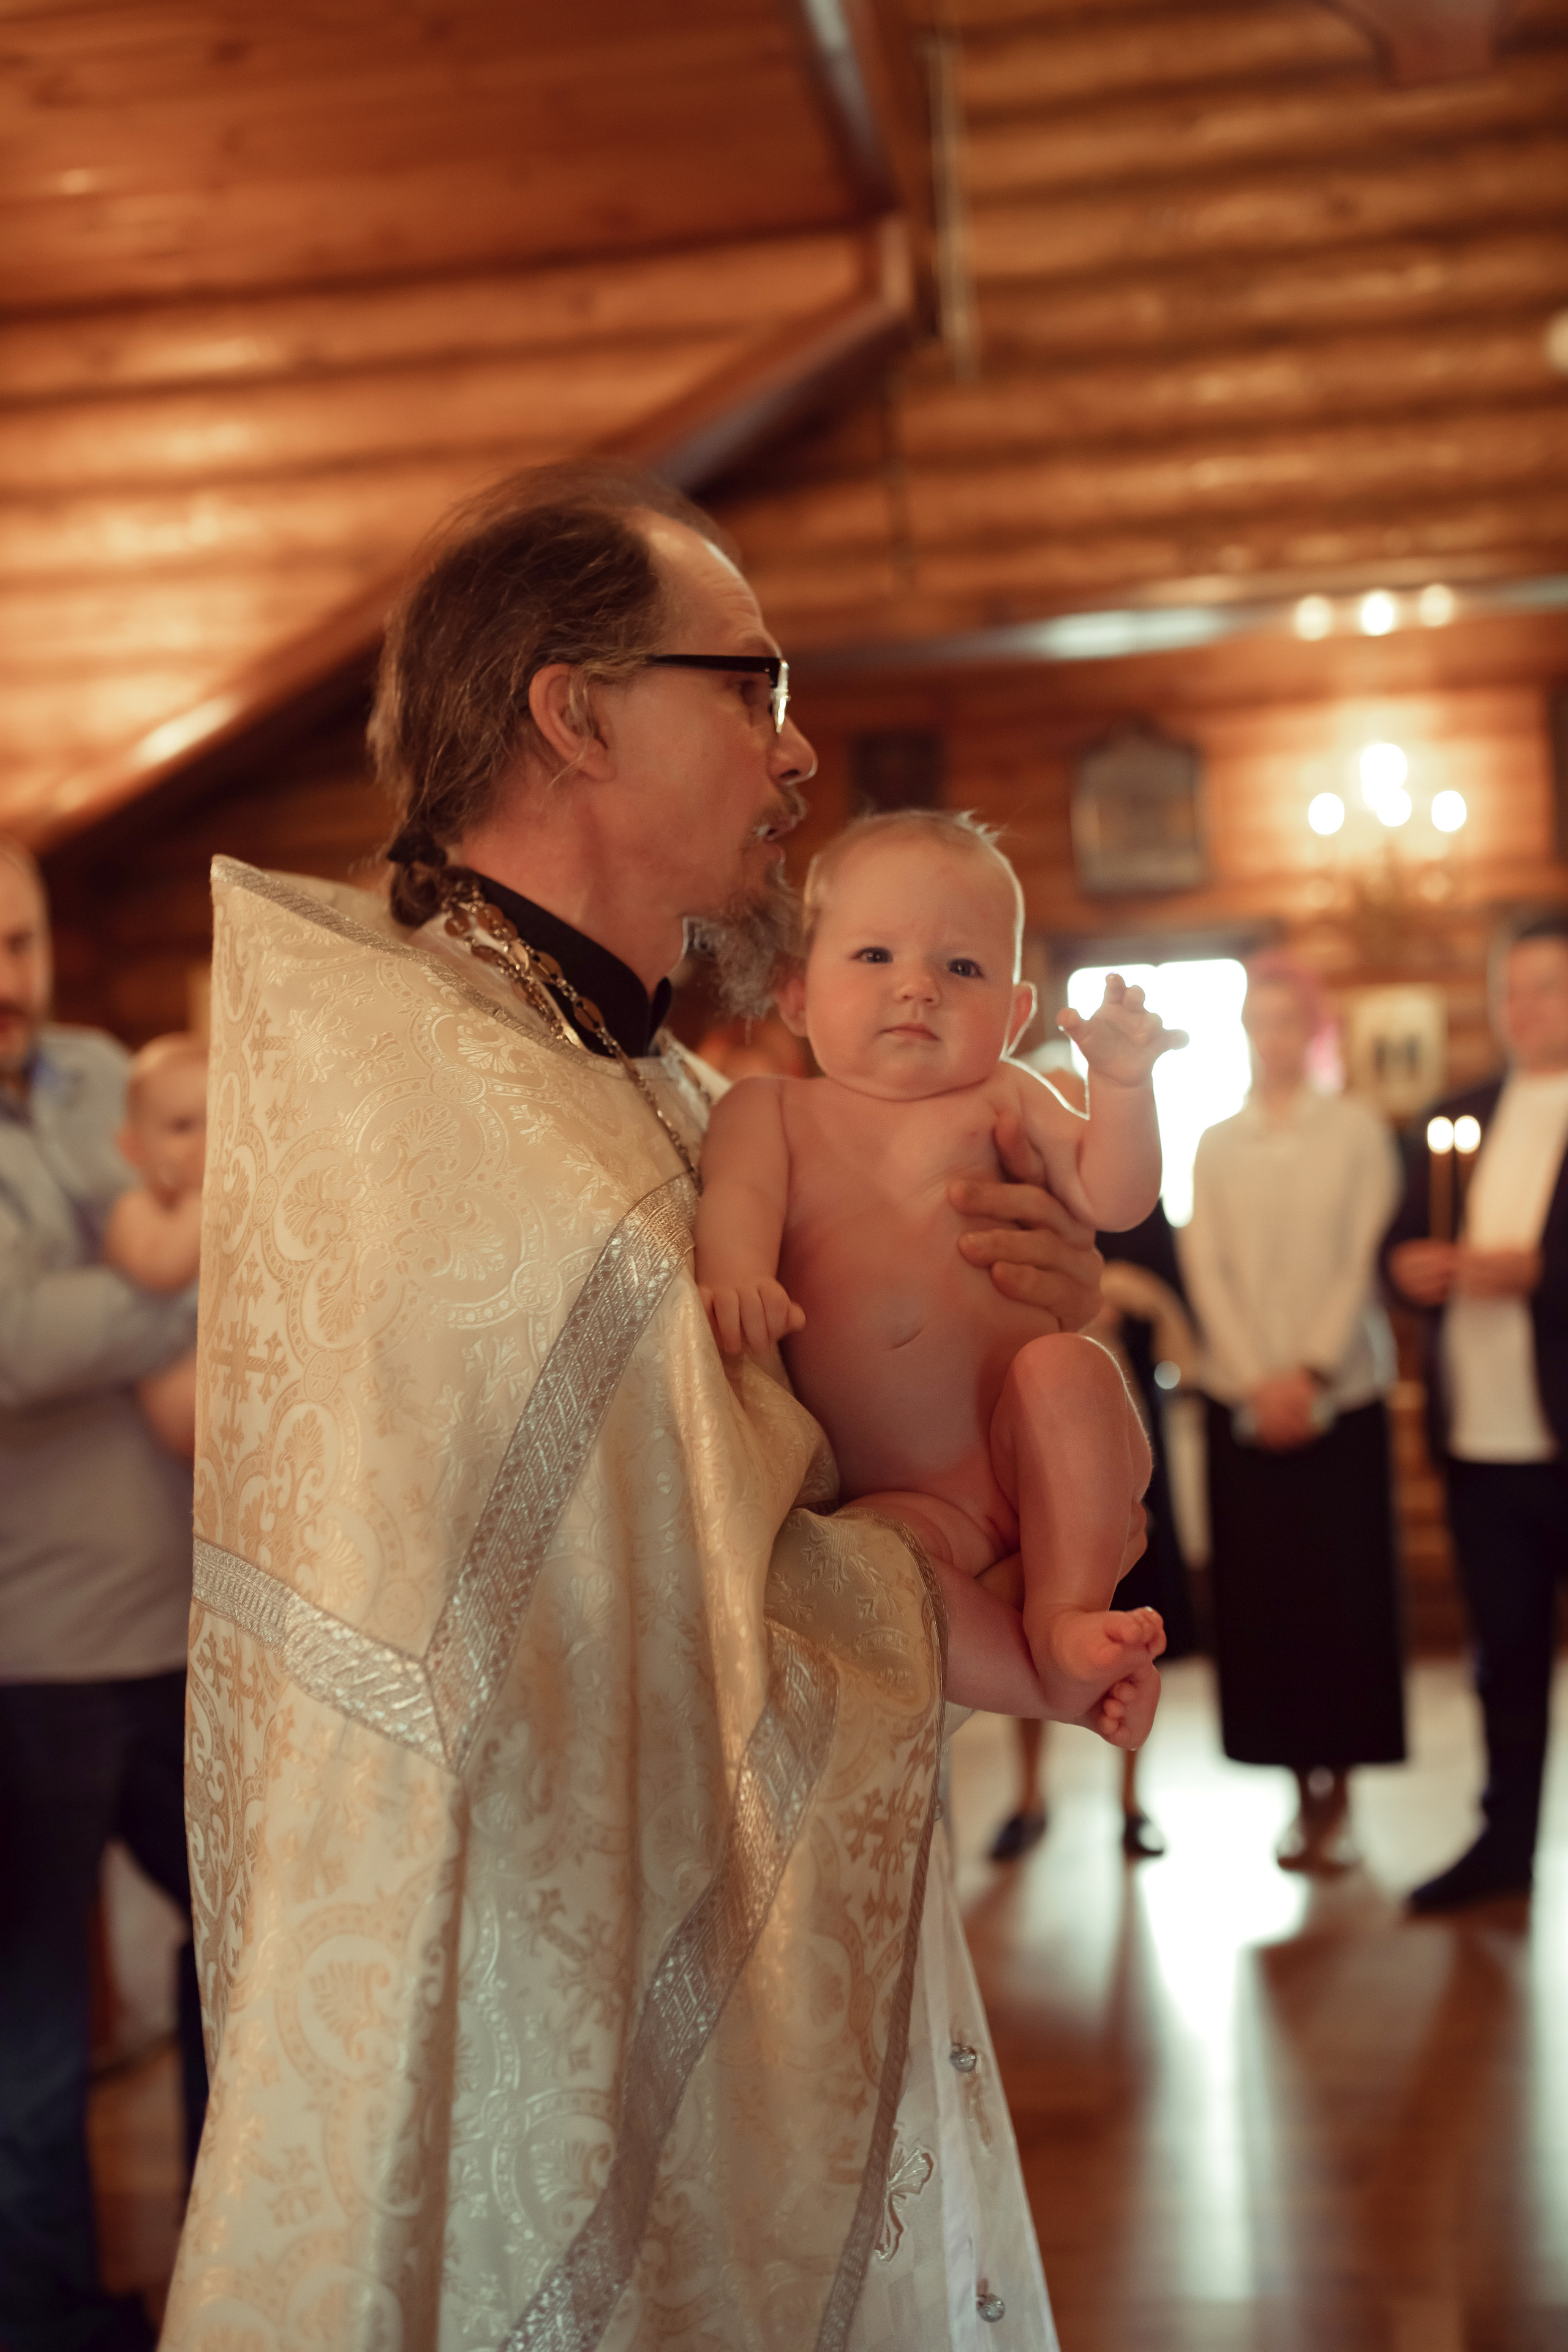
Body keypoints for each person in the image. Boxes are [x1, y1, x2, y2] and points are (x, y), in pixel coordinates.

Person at [162, 463, 1118, 2350]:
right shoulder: (442, 1110)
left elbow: (805, 1457)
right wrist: (981, 1616)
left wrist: (1023, 1332)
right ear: (572, 708)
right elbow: (667, 1619)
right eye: (749, 683)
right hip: (533, 1996)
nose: (796, 751)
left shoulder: (653, 1087)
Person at [695, 809, 1174, 1744]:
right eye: (874, 956)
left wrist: (1120, 1088)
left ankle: (1066, 1613)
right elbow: (737, 1197)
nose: (918, 988)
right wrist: (737, 1268)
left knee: (1071, 1369)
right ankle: (1051, 1684)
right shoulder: (772, 1111)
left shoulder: (1008, 1097)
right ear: (795, 994)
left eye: (962, 968)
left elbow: (1115, 1198)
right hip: (909, 1500)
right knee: (870, 1571)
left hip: (1030, 1446)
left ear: (1018, 1014)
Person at [0, 842, 207, 2352]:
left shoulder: (90, 1068)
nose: (9, 980)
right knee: (30, 2045)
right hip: (31, 1652)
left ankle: (245, 2275)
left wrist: (128, 1293)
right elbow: (18, 1343)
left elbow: (94, 1307)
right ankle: (60, 2322)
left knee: (257, 1960)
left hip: (185, 1628)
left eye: (19, 940)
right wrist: (220, 1272)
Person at [1181, 953, 1406, 1871]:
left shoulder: (1356, 1132)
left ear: (1312, 1033)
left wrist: (1307, 1372)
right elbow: (1208, 1270)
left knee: (1344, 1600)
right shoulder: (1216, 1144)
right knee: (1269, 1608)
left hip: (1340, 1400)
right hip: (1246, 1406)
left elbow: (1358, 1259)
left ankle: (1343, 1791)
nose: (1270, 1041)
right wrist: (1254, 1380)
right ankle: (1292, 1791)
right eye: (1256, 1024)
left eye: (1286, 1023)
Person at [1384, 910, 1568, 1912]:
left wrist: (1539, 1274)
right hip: (1481, 1441)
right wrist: (1407, 1272)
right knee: (1503, 1659)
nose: (1522, 1008)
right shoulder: (1459, 1110)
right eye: (1512, 988)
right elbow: (1403, 1244)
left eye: (1545, 987)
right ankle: (1505, 1846)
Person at [990, 1202, 1200, 1864]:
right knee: (1025, 1618)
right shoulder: (1018, 1194)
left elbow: (1176, 1323)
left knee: (1133, 1625)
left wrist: (1129, 1297)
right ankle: (1026, 1798)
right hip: (1034, 1437)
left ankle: (1132, 1803)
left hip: (1127, 1429)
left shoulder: (1140, 1209)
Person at [102, 1033, 208, 1458]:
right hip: (183, 1402)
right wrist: (204, 1200)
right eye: (183, 1127)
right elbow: (163, 1269)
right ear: (133, 1148)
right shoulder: (134, 1209)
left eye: (223, 1123)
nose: (208, 1144)